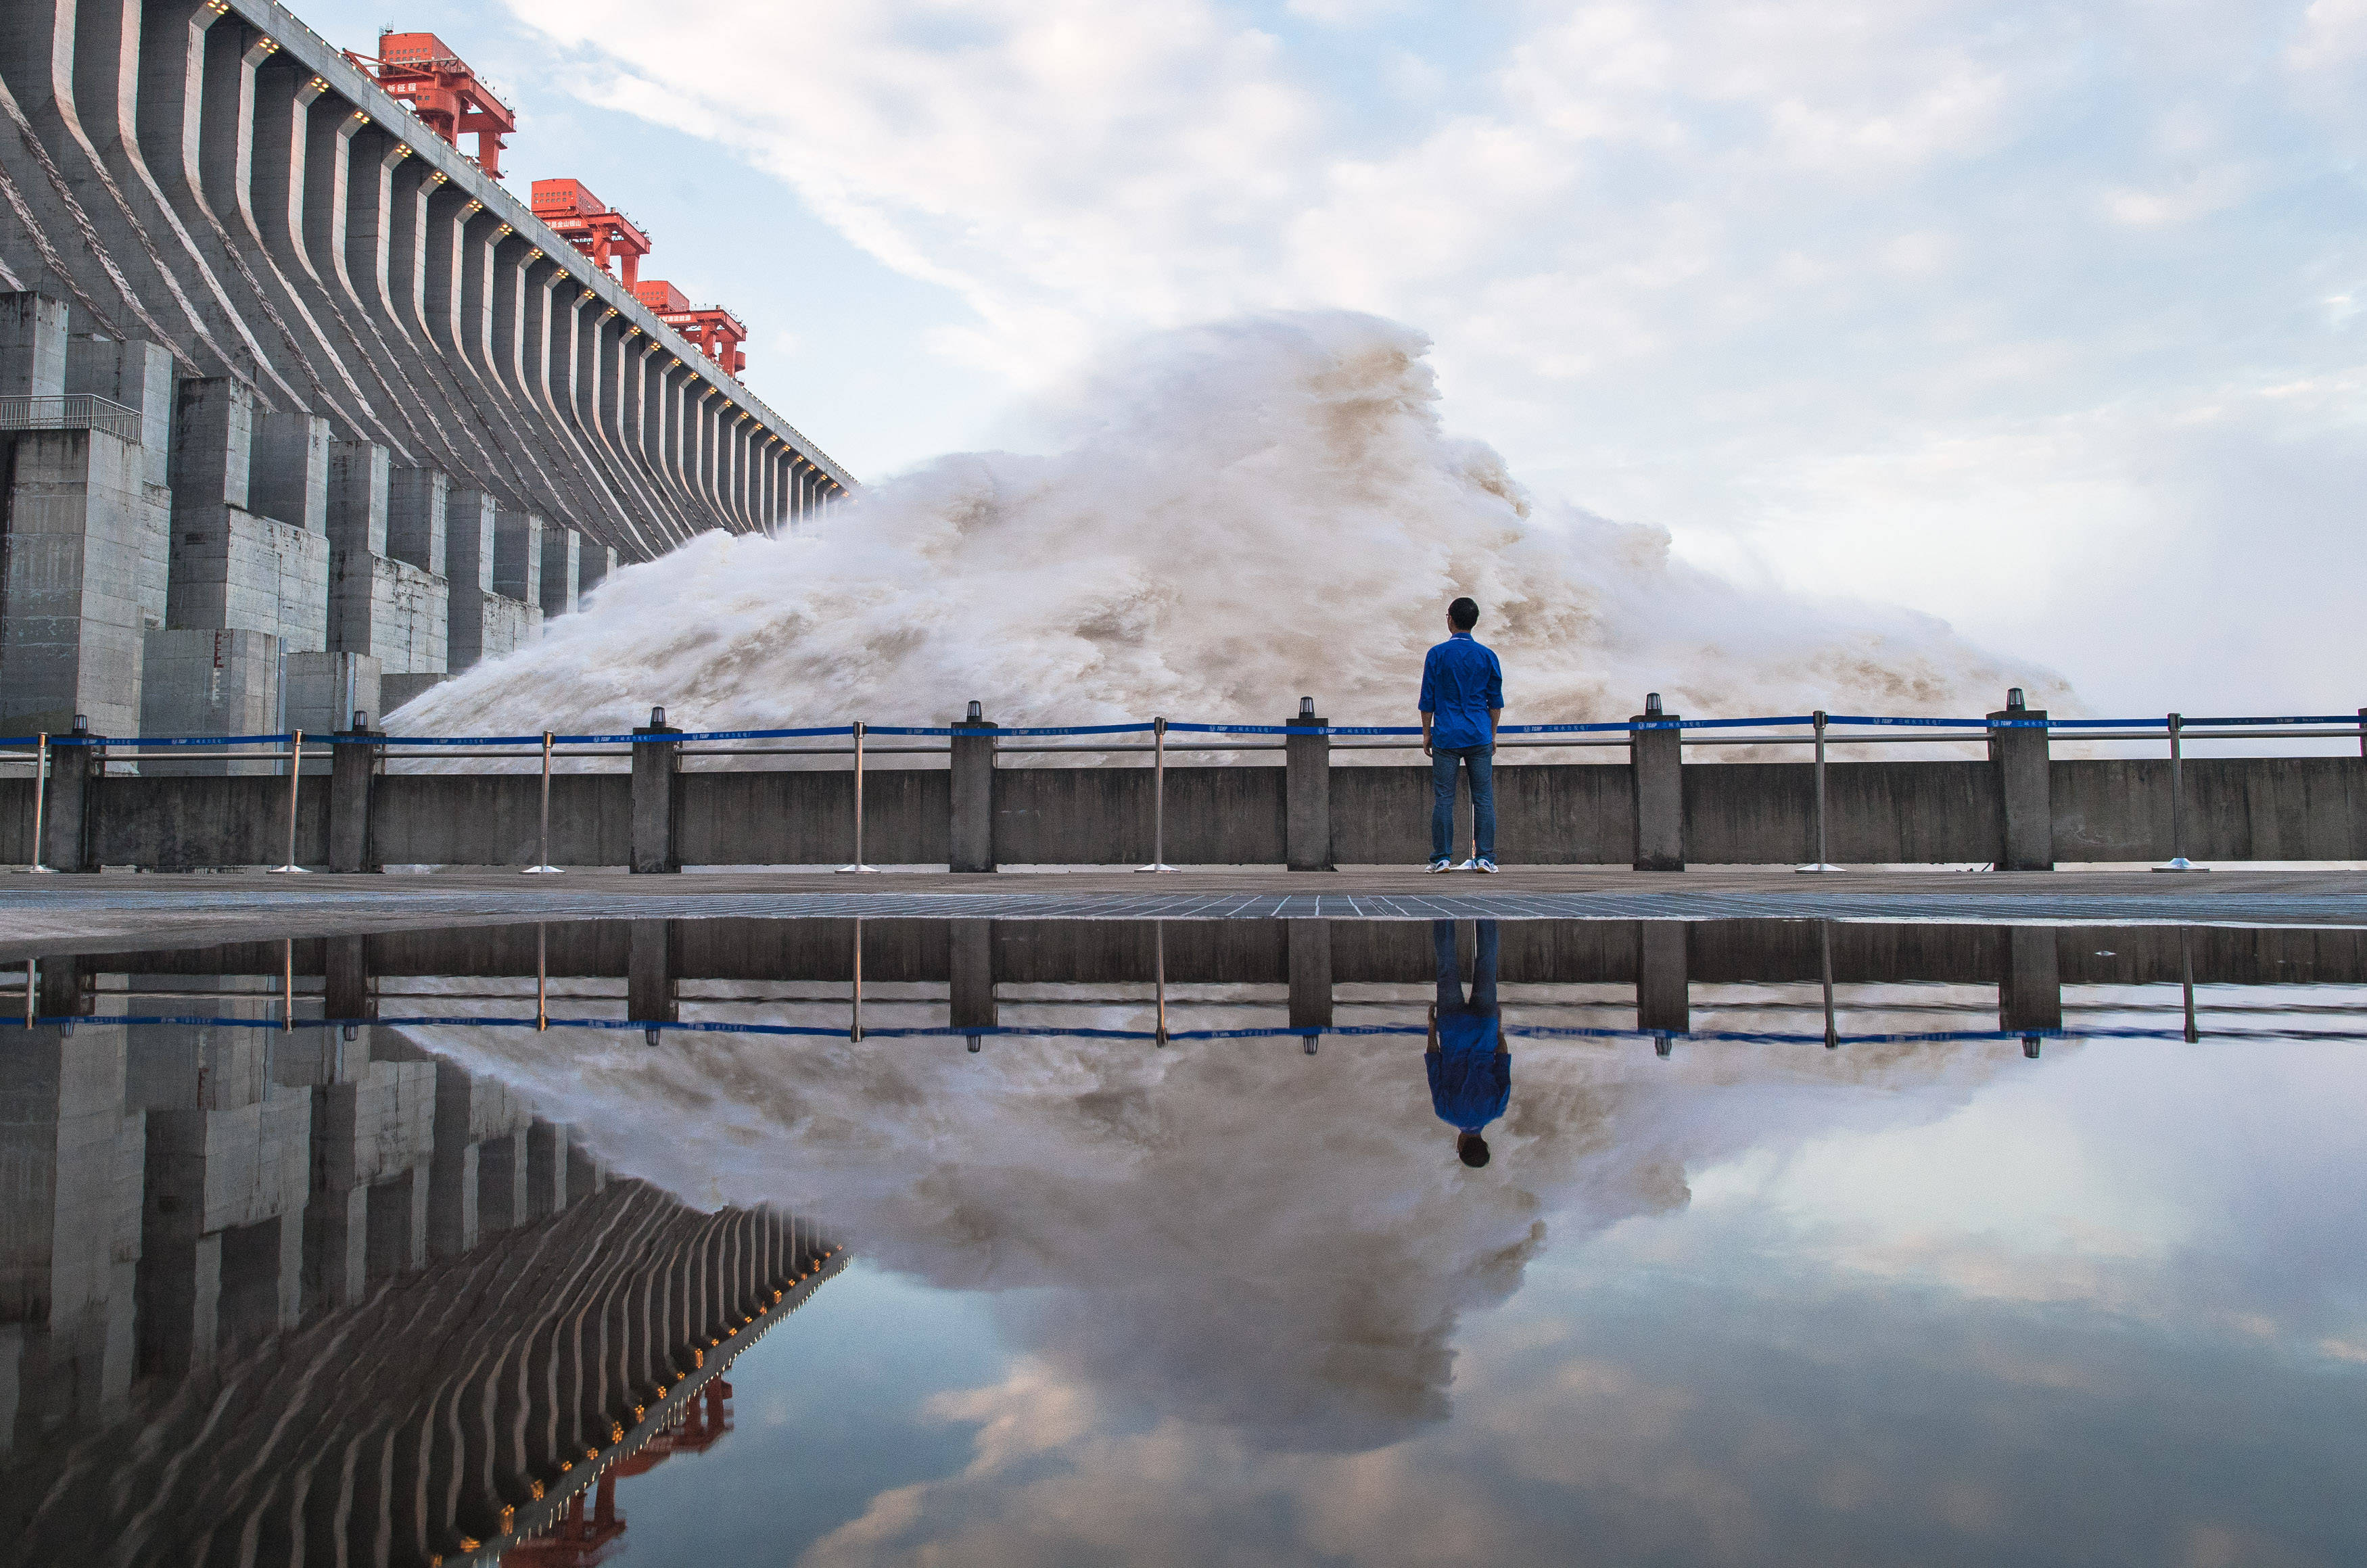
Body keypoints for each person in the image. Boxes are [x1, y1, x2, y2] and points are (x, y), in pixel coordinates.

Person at [1418, 596, 1503, 872]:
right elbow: (1495, 702)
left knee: (1444, 798)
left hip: (1446, 735)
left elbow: (1427, 699)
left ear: (1450, 620)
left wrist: (1426, 734)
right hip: (1478, 734)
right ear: (1474, 622)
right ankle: (1486, 859)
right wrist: (1491, 735)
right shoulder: (1488, 656)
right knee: (1484, 798)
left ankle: (1442, 858)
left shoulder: (1437, 654)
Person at [1427, 919, 1508, 1167]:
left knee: (1487, 964)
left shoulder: (1497, 1109)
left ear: (1485, 1143)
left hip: (1485, 1027)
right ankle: (1442, 911)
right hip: (1452, 1028)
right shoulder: (1445, 1112)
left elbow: (1502, 1058)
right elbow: (1433, 1061)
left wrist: (1498, 1027)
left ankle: (1486, 912)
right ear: (1460, 1146)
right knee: (1447, 966)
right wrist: (1432, 1026)